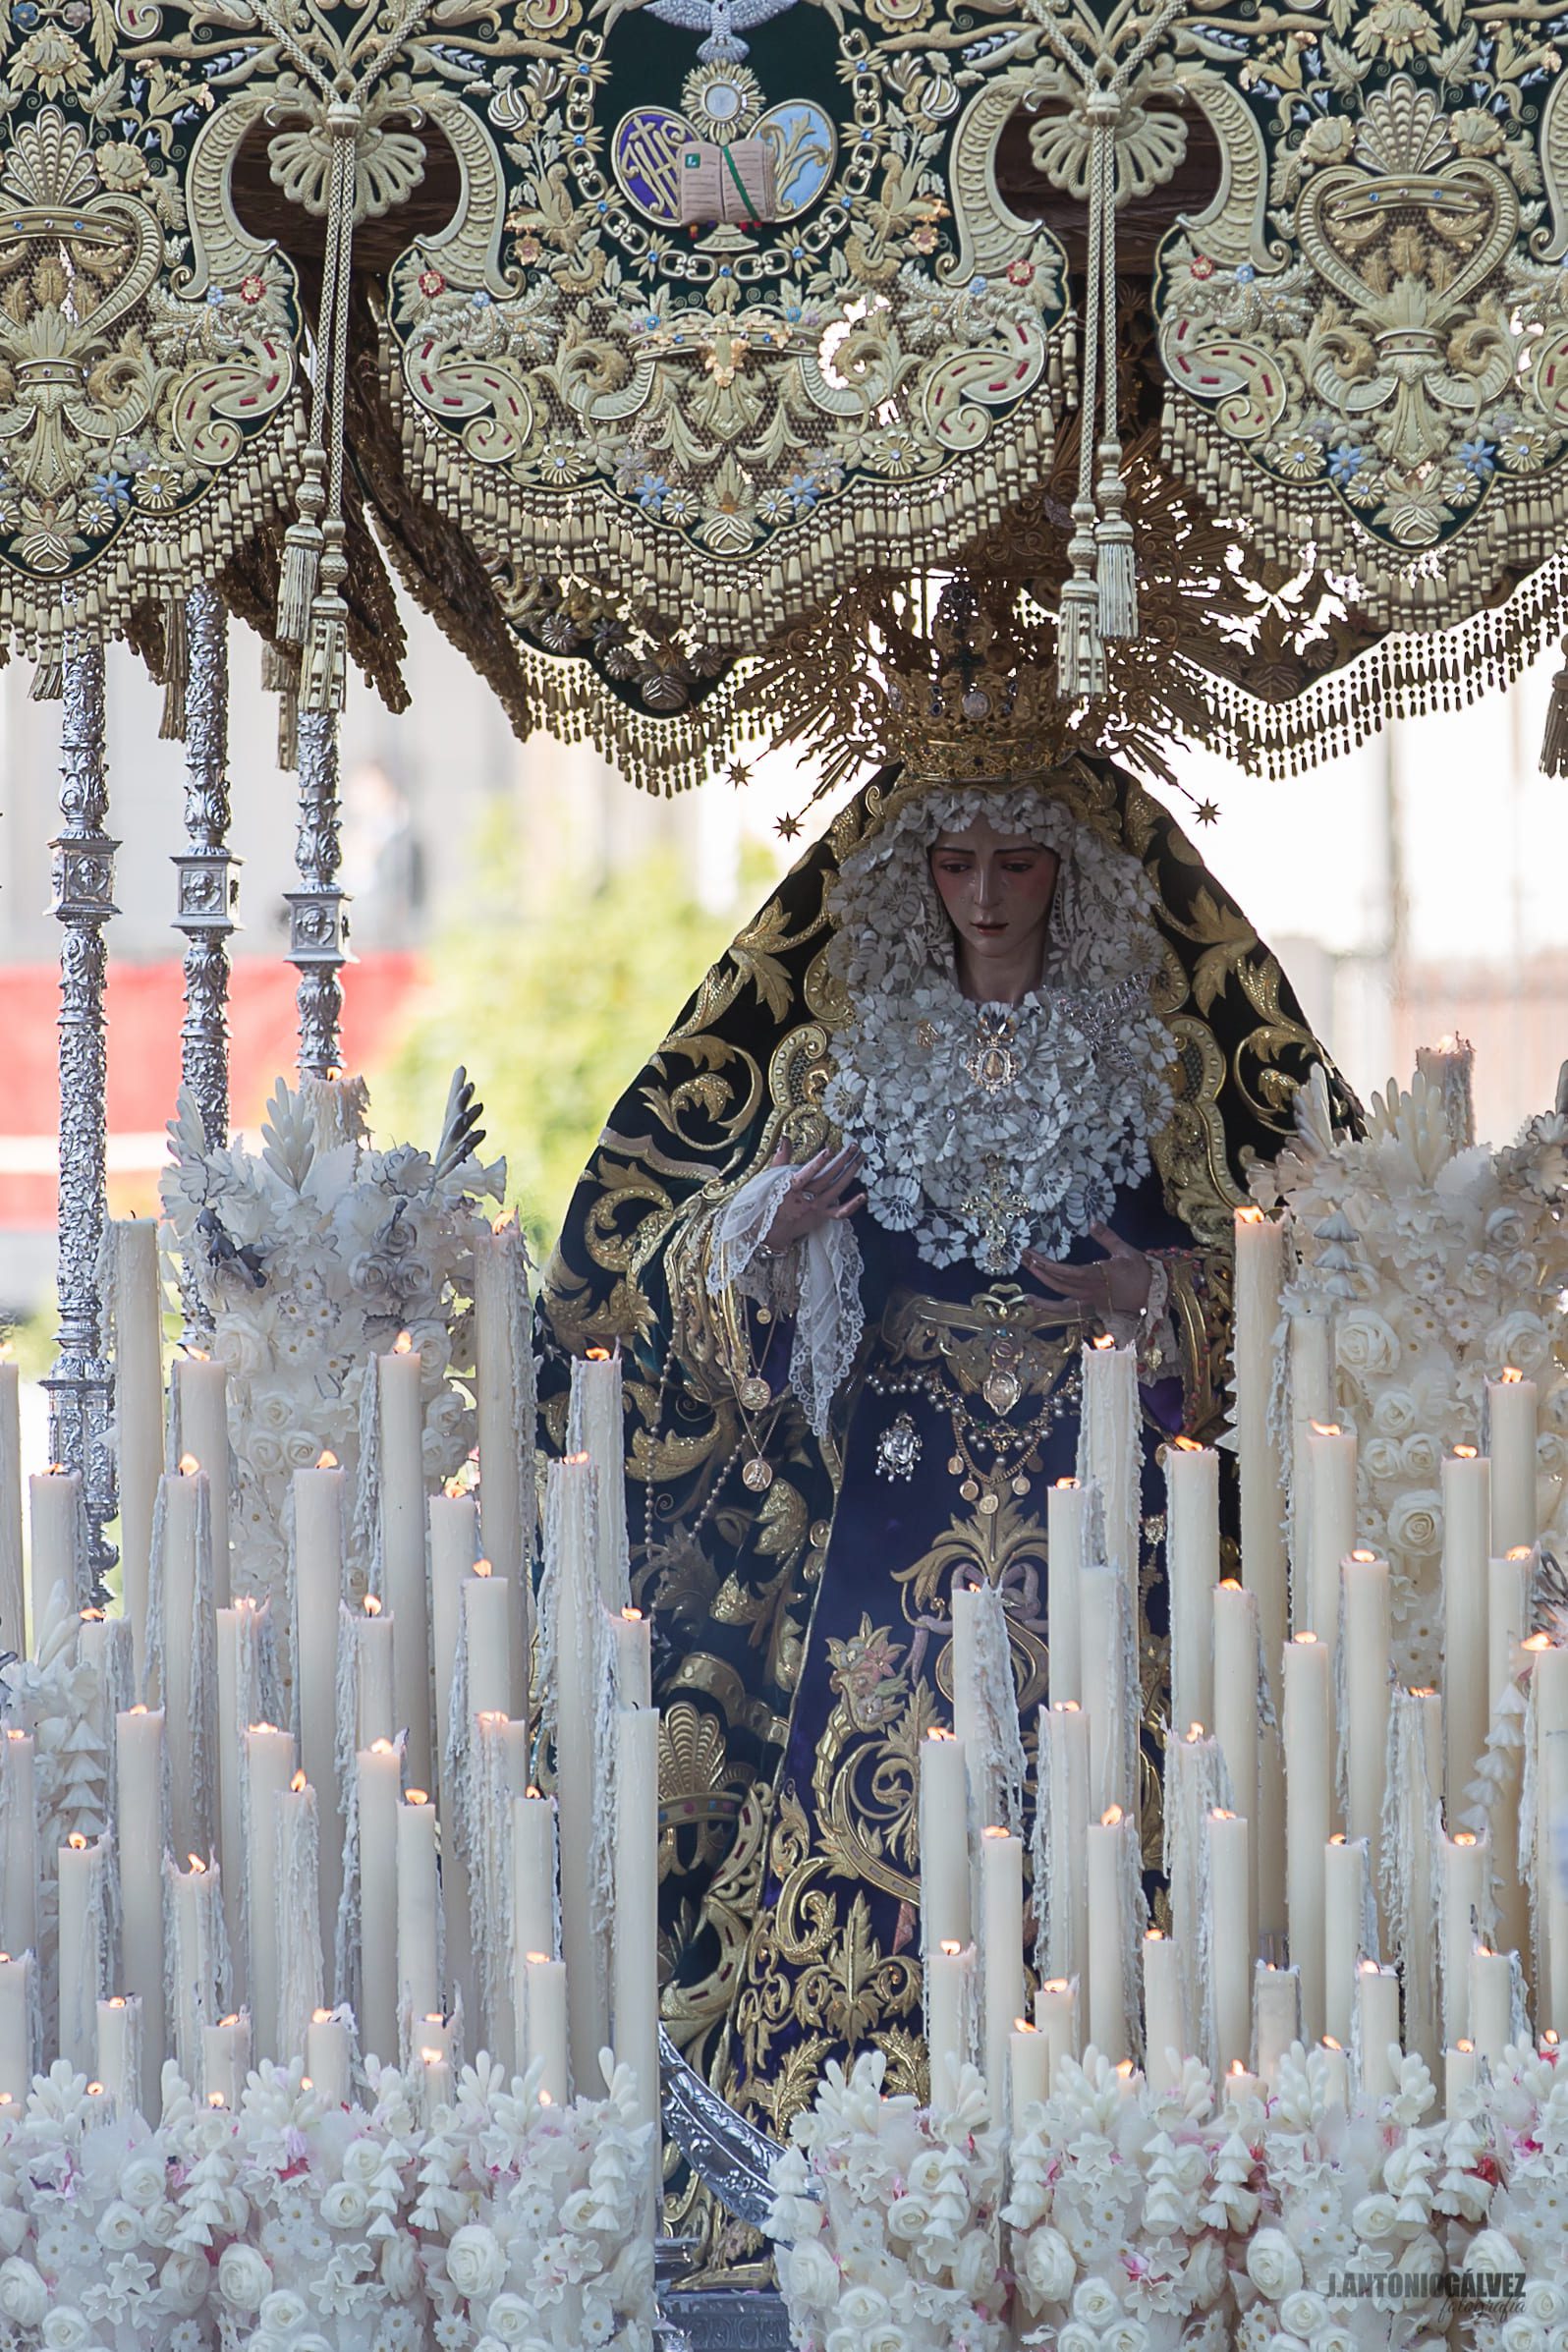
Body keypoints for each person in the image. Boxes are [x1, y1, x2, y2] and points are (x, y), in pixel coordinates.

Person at [539, 656, 1352, 2276]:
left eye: (1021, 861)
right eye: (958, 864)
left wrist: (1162, 1300)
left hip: (1099, 1486)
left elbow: (1303, 1257)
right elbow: (687, 1261)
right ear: (918, 879)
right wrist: (771, 1241)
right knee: (869, 1773)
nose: (988, 899)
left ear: (1079, 873)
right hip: (891, 1495)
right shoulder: (845, 1058)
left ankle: (1125, 2146)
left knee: (1118, 1786)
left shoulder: (1155, 1069)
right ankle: (843, 2153)